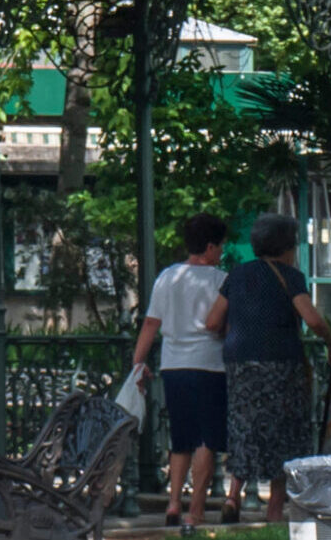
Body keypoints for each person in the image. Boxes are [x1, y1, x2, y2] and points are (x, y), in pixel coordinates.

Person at [210, 215, 331, 524]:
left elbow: (214, 320)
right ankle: (274, 511)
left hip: (240, 362)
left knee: (245, 426)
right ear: (287, 246)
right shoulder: (291, 276)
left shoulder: (237, 275)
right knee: (285, 431)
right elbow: (311, 318)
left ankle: (233, 496)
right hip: (281, 363)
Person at [130, 215, 228, 536]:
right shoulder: (220, 281)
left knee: (181, 438)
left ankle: (173, 503)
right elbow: (225, 326)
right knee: (206, 441)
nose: (222, 252)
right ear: (210, 246)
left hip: (173, 366)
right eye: (220, 246)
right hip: (210, 365)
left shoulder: (167, 278)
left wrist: (138, 361)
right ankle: (195, 513)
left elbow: (150, 323)